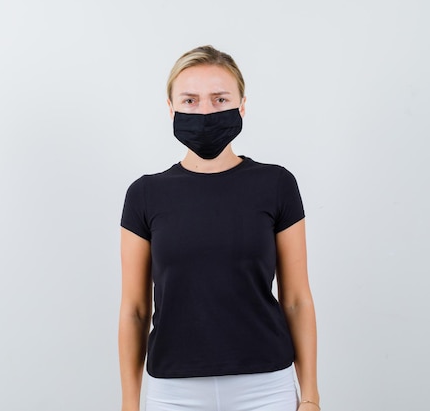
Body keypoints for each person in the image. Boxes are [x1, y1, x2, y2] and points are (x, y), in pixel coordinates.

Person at [118, 45, 320, 411]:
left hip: (265, 387)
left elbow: (296, 300)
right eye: (190, 100)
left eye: (220, 99)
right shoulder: (144, 194)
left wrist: (309, 397)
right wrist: (130, 404)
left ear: (242, 105)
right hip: (174, 392)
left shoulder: (276, 184)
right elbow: (134, 309)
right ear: (171, 108)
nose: (206, 111)